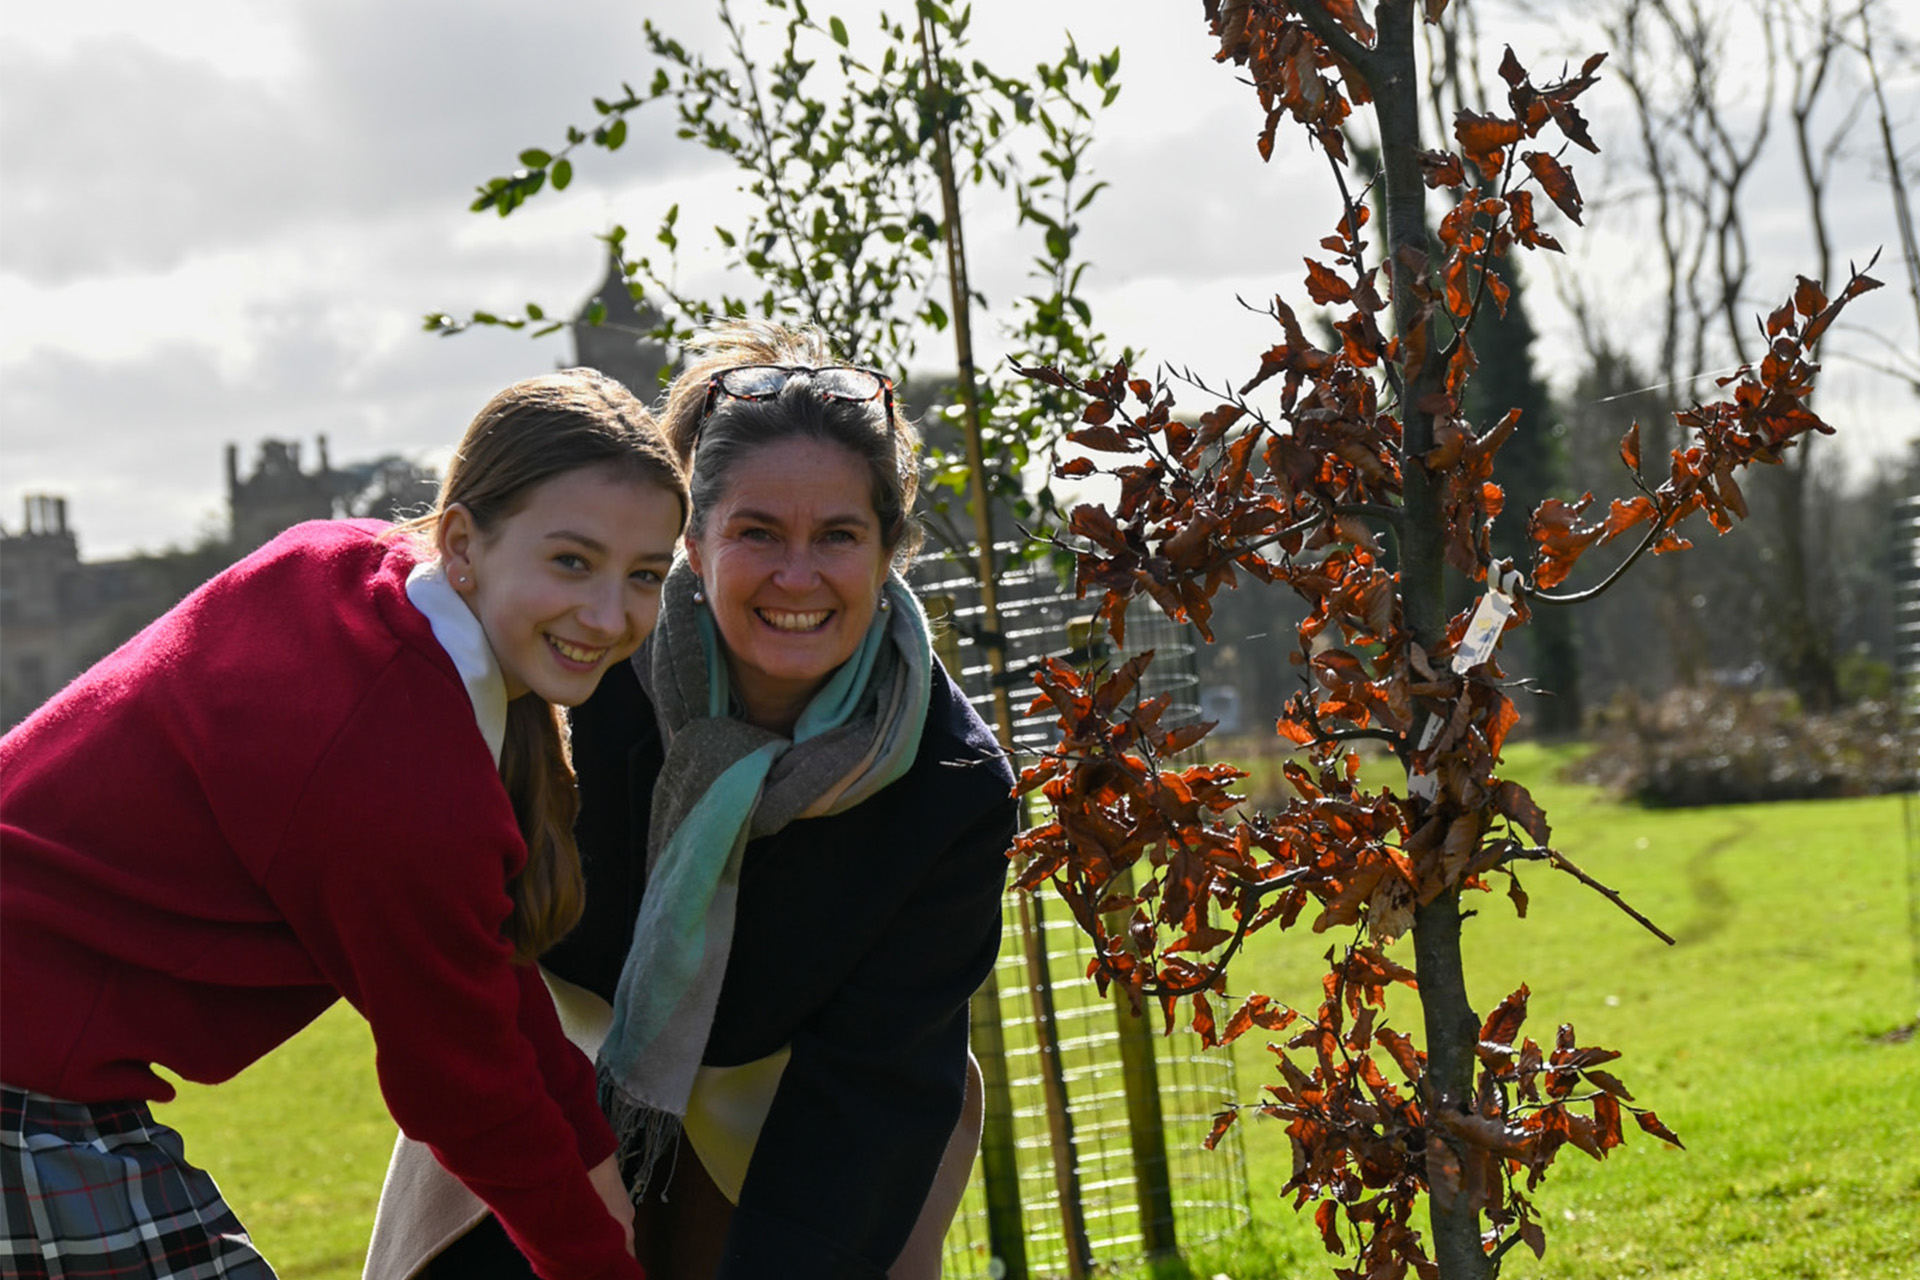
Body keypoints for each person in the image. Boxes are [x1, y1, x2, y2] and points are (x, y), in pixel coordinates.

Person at [0, 369, 688, 1280]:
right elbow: (462, 1086)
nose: (610, 615)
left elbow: (487, 977)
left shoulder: (349, 567)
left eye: (645, 575)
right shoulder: (399, 768)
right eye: (572, 560)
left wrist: (597, 1165)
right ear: (463, 543)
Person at [384, 321, 1018, 1280]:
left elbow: (873, 1091)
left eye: (839, 536)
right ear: (694, 539)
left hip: (812, 1126)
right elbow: (472, 944)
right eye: (756, 533)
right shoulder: (579, 674)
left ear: (892, 548)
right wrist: (573, 1190)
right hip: (543, 1073)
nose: (796, 576)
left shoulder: (951, 787)